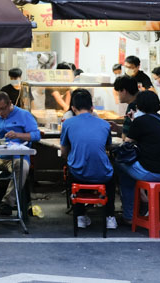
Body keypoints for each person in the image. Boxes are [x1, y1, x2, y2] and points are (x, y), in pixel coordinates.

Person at [116, 91, 160, 226]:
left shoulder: (140, 121)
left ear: (139, 105)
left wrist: (132, 124)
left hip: (152, 172)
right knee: (133, 165)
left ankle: (130, 214)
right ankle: (145, 198)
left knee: (120, 164)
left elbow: (127, 144)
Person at [60, 89, 117, 231]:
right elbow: (108, 146)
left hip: (78, 174)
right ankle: (110, 217)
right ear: (92, 107)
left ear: (73, 108)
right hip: (103, 175)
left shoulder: (67, 123)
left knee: (72, 170)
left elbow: (63, 152)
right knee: (111, 175)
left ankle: (80, 216)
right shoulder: (104, 124)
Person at [0, 91, 40, 216]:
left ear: (10, 104)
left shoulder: (24, 115)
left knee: (22, 167)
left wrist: (17, 135)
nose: (0, 113)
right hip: (0, 157)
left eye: (2, 109)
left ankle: (7, 203)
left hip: (17, 157)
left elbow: (36, 136)